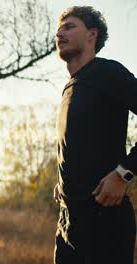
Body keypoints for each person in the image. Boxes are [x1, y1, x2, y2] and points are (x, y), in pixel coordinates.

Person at [53, 6, 137, 264]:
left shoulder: (107, 73)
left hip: (105, 223)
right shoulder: (71, 86)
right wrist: (63, 183)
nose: (60, 32)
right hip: (68, 224)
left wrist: (124, 173)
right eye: (59, 28)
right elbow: (80, 143)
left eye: (69, 26)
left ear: (91, 35)